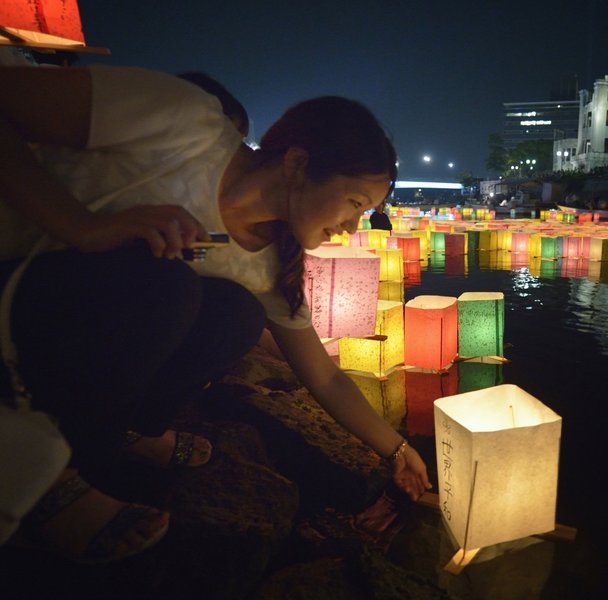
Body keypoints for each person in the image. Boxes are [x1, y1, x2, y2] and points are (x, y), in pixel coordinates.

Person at [0, 64, 431, 562]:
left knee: (235, 315)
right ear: (296, 162)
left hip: (51, 329)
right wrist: (83, 227)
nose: (352, 225)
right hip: (12, 277)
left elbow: (326, 377)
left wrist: (397, 450)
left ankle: (122, 434)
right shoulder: (186, 122)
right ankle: (53, 482)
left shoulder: (267, 264)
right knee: (169, 288)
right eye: (355, 202)